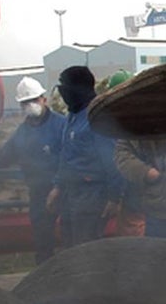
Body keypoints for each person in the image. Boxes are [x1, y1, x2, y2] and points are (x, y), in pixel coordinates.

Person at [0, 77, 65, 263]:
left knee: (71, 242)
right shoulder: (22, 132)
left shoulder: (61, 125)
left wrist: (58, 186)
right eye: (25, 102)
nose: (30, 105)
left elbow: (71, 159)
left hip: (64, 193)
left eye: (34, 100)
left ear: (44, 99)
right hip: (38, 196)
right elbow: (4, 155)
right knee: (43, 245)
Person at [46, 66, 125, 247]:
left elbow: (112, 160)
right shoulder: (72, 116)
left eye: (66, 88)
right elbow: (66, 155)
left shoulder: (97, 117)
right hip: (70, 192)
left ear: (78, 89)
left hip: (92, 194)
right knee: (68, 243)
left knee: (86, 246)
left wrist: (115, 198)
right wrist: (57, 187)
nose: (63, 93)